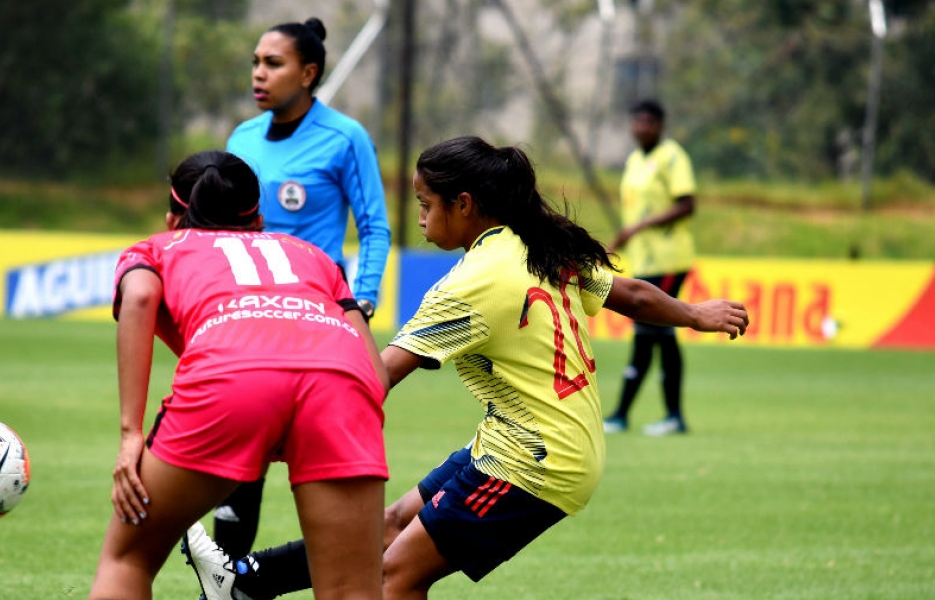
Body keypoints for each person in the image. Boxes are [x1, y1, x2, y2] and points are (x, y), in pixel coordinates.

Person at [180, 137, 749, 600]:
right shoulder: (535, 242)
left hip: (534, 463)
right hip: (529, 440)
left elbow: (378, 378)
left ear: (465, 204)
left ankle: (244, 583)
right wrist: (695, 313)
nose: (421, 218)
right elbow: (630, 292)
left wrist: (286, 428)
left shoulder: (471, 284)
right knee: (388, 526)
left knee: (395, 577)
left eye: (426, 205)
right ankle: (245, 582)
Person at [87, 150, 389, 600]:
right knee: (352, 590)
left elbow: (139, 299)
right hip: (341, 383)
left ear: (173, 219)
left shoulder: (157, 248)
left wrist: (132, 433)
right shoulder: (311, 255)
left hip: (231, 380)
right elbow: (376, 376)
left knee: (128, 559)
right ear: (260, 222)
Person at [216, 16, 393, 560]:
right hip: (249, 321)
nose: (259, 73)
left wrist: (360, 302)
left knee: (317, 458)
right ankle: (223, 586)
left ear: (308, 72)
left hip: (317, 324)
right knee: (239, 463)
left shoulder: (345, 137)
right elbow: (222, 230)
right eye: (256, 62)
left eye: (273, 63)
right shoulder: (241, 139)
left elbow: (375, 226)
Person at [603, 99, 699, 437]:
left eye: (648, 122)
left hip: (669, 258)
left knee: (653, 331)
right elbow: (634, 217)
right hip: (644, 260)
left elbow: (687, 204)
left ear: (660, 125)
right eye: (637, 121)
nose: (641, 128)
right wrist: (616, 246)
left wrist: (642, 227)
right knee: (653, 334)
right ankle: (635, 415)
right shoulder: (633, 160)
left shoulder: (672, 156)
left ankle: (642, 415)